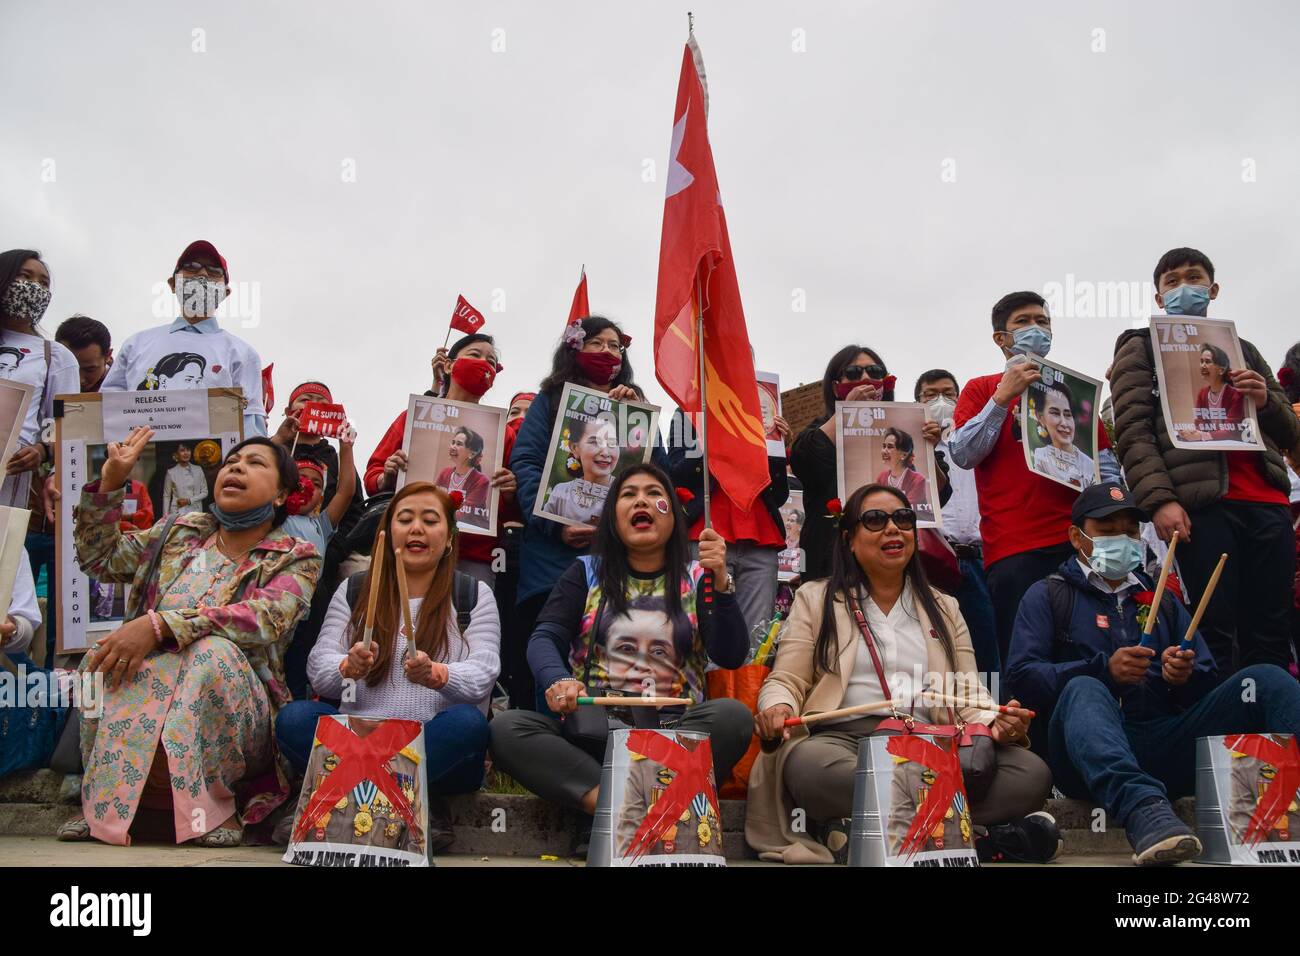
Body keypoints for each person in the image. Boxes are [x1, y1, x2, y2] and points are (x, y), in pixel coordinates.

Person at [747, 484, 1057, 865]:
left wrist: (998, 721)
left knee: (1031, 773)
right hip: (845, 746)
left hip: (934, 745)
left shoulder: (945, 606)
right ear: (849, 540)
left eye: (903, 519)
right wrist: (777, 707)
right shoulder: (816, 598)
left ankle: (864, 831)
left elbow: (968, 692)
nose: (893, 528)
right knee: (811, 769)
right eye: (875, 520)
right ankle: (980, 839)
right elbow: (787, 680)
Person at [1006, 481, 1300, 865]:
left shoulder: (1163, 600)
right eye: (1107, 531)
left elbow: (1206, 683)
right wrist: (1104, 671)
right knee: (1085, 687)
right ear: (1076, 536)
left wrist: (1183, 677)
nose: (1121, 540)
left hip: (1164, 742)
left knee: (1264, 678)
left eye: (1129, 531)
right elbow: (1022, 679)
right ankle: (1147, 814)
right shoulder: (1048, 595)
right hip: (1083, 757)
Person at [56, 431, 321, 846]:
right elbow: (99, 559)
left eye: (255, 463)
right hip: (147, 684)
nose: (236, 466)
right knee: (102, 656)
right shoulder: (179, 530)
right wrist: (109, 485)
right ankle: (106, 803)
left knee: (209, 654)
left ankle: (211, 810)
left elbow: (267, 617)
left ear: (281, 494)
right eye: (233, 461)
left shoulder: (295, 554)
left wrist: (162, 625)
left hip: (239, 708)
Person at [490, 464, 752, 838]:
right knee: (507, 728)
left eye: (653, 494)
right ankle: (637, 807)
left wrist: (722, 582)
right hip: (597, 737)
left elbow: (731, 654)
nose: (641, 500)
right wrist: (560, 680)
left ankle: (612, 813)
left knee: (733, 717)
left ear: (673, 516)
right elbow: (544, 636)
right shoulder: (584, 572)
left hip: (674, 735)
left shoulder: (700, 576)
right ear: (612, 516)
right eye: (628, 495)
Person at [277, 481, 500, 853]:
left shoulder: (472, 594)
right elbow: (318, 669)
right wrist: (347, 667)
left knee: (468, 726)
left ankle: (336, 800)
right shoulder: (354, 590)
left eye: (430, 520)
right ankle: (412, 806)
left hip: (431, 743)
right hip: (361, 737)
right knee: (295, 719)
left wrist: (438, 674)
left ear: (448, 539)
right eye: (405, 519)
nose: (416, 528)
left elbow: (484, 673)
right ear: (386, 533)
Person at [1111, 248, 1300, 672]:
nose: (1183, 288)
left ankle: (1269, 734)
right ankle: (1221, 733)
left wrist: (1265, 400)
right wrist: (1160, 500)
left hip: (1267, 503)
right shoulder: (1140, 346)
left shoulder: (1244, 350)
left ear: (1212, 289)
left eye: (1193, 278)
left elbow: (1290, 432)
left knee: (1271, 628)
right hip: (1202, 508)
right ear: (1158, 298)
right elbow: (1133, 430)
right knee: (1213, 630)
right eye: (1171, 281)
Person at [949, 291, 1120, 668]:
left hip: (1080, 546)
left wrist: (1114, 533)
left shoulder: (1074, 394)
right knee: (1026, 660)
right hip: (1014, 550)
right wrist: (1001, 398)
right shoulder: (981, 387)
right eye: (1024, 322)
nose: (1036, 330)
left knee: (1092, 652)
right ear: (1001, 338)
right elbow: (963, 453)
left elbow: (1107, 472)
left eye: (1043, 322)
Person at [510, 316, 668, 707]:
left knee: (612, 655)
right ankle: (541, 742)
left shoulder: (637, 409)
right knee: (547, 651)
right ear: (575, 348)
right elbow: (526, 463)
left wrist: (640, 424)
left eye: (615, 346)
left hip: (616, 563)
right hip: (551, 562)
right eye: (597, 343)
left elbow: (657, 474)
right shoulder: (549, 402)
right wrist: (554, 526)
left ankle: (610, 743)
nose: (607, 353)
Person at [366, 333, 516, 587]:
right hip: (410, 547)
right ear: (448, 364)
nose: (484, 364)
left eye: (491, 362)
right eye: (475, 355)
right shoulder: (412, 417)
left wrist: (511, 491)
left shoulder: (504, 434)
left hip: (474, 557)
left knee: (466, 623)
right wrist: (387, 475)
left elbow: (514, 509)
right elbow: (372, 477)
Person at [101, 240, 266, 437]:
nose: (202, 274)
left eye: (214, 271)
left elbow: (250, 426)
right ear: (172, 284)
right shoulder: (135, 345)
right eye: (191, 267)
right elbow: (106, 412)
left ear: (226, 293)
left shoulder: (243, 354)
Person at [792, 346, 925, 581]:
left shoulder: (905, 428)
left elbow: (938, 494)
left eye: (875, 372)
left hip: (893, 555)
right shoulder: (821, 428)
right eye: (853, 373)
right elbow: (805, 462)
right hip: (831, 556)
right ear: (836, 387)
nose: (865, 379)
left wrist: (928, 444)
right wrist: (847, 413)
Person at [668, 391, 791, 635]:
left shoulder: (764, 414)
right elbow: (675, 473)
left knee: (756, 637)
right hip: (704, 535)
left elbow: (778, 496)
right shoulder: (687, 411)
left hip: (760, 540)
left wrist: (778, 448)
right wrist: (713, 438)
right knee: (704, 632)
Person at [916, 369, 1000, 676]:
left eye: (949, 393)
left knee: (984, 650)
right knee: (932, 650)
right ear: (917, 402)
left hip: (979, 559)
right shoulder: (909, 448)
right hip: (932, 563)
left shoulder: (974, 443)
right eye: (930, 394)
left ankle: (988, 716)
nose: (941, 400)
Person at [0, 250, 80, 510]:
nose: (34, 287)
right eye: (25, 276)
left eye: (43, 283)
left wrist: (42, 450)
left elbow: (64, 424)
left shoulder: (55, 357)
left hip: (8, 481)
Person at [542, 411, 619, 524]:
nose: (605, 453)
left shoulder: (626, 493)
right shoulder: (561, 492)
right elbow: (544, 528)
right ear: (574, 448)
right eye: (595, 442)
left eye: (612, 442)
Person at [1030, 386, 1096, 489]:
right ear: (1041, 418)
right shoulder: (1039, 456)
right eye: (1055, 413)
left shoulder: (1090, 466)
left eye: (1068, 414)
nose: (1064, 423)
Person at [1178, 344, 1246, 443]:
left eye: (1207, 362)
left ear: (1221, 370)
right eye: (1201, 361)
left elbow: (1231, 432)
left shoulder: (1236, 395)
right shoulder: (1202, 393)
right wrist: (1190, 432)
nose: (1202, 366)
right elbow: (1199, 424)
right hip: (1211, 445)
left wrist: (1201, 436)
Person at [874, 426, 932, 515]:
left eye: (890, 447)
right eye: (884, 446)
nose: (884, 451)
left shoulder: (918, 480)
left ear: (904, 455)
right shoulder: (881, 477)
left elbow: (905, 509)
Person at [436, 425, 491, 516]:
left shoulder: (482, 481)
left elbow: (465, 514)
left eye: (459, 444)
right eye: (453, 442)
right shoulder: (444, 473)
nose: (452, 447)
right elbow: (434, 499)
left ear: (472, 454)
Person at [55, 314, 113, 393]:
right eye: (69, 369)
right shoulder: (43, 385)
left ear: (108, 355)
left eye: (90, 370)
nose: (79, 380)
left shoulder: (127, 389)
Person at [162, 443, 207, 515]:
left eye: (188, 450)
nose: (186, 453)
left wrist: (189, 501)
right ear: (176, 454)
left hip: (196, 512)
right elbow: (166, 496)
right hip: (177, 511)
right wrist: (165, 516)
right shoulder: (171, 472)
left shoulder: (198, 469)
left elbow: (205, 492)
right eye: (182, 450)